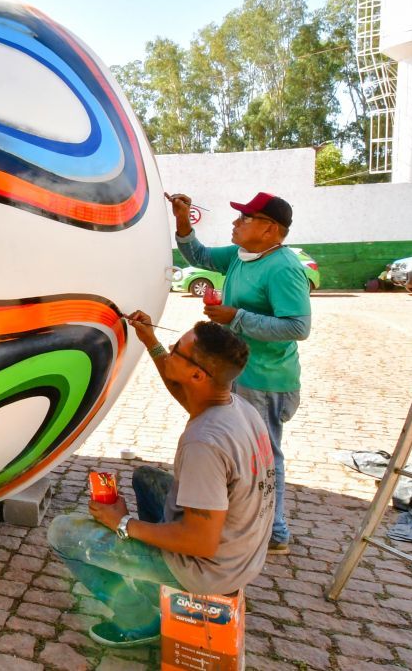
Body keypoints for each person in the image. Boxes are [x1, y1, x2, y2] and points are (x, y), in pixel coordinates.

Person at [47, 318, 275, 649]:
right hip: (241, 552)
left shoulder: (204, 443)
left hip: (206, 569)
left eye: (176, 351)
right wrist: (150, 341)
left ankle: (139, 620)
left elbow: (200, 542)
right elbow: (180, 387)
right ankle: (157, 577)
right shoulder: (235, 407)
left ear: (198, 375)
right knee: (146, 479)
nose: (169, 352)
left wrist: (122, 523)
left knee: (63, 532)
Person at [169, 191, 311, 554]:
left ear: (270, 229)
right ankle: (242, 517)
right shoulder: (240, 256)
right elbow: (198, 255)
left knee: (264, 454)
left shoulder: (283, 268)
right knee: (242, 450)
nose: (236, 223)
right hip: (240, 372)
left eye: (245, 219)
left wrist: (238, 318)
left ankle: (275, 531)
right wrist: (183, 220)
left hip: (266, 379)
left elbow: (297, 326)